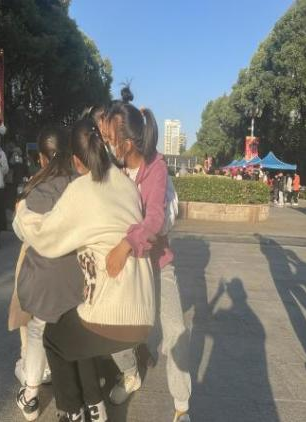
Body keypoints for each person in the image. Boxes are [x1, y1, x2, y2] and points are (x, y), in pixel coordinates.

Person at [13, 118, 154, 422]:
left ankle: (71, 412)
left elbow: (46, 238)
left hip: (113, 315)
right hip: (144, 311)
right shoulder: (126, 184)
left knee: (53, 337)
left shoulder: (82, 189)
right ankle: (93, 406)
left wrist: (22, 210)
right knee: (74, 331)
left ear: (76, 160)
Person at [102, 99, 192, 422]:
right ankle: (131, 374)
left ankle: (182, 405)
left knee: (175, 329)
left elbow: (154, 218)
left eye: (111, 138)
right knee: (112, 326)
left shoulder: (155, 168)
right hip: (126, 264)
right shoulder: (112, 168)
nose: (107, 143)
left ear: (127, 143)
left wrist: (127, 244)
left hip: (156, 260)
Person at [9, 128, 84, 421]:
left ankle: (30, 397)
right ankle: (81, 401)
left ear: (41, 158)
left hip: (42, 281)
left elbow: (21, 231)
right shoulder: (82, 186)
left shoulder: (33, 190)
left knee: (37, 330)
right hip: (79, 281)